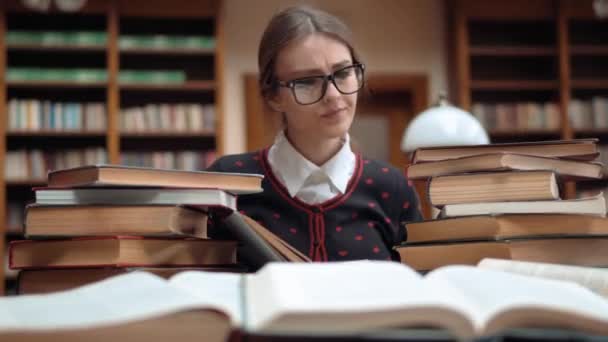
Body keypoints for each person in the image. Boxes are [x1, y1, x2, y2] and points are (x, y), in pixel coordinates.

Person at [207, 5, 422, 262]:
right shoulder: (228, 183)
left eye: (343, 73)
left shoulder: (393, 188)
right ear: (273, 96)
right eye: (307, 81)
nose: (333, 95)